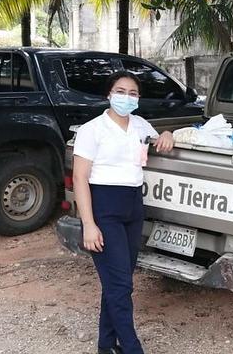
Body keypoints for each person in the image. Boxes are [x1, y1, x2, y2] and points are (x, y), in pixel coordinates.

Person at [72, 71, 175, 354]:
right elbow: (80, 178)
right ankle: (132, 348)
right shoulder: (92, 130)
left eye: (133, 93)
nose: (126, 97)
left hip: (132, 206)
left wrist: (166, 134)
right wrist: (89, 224)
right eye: (120, 91)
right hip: (104, 208)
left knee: (117, 282)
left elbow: (158, 137)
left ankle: (106, 345)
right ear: (109, 94)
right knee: (120, 286)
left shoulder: (140, 124)